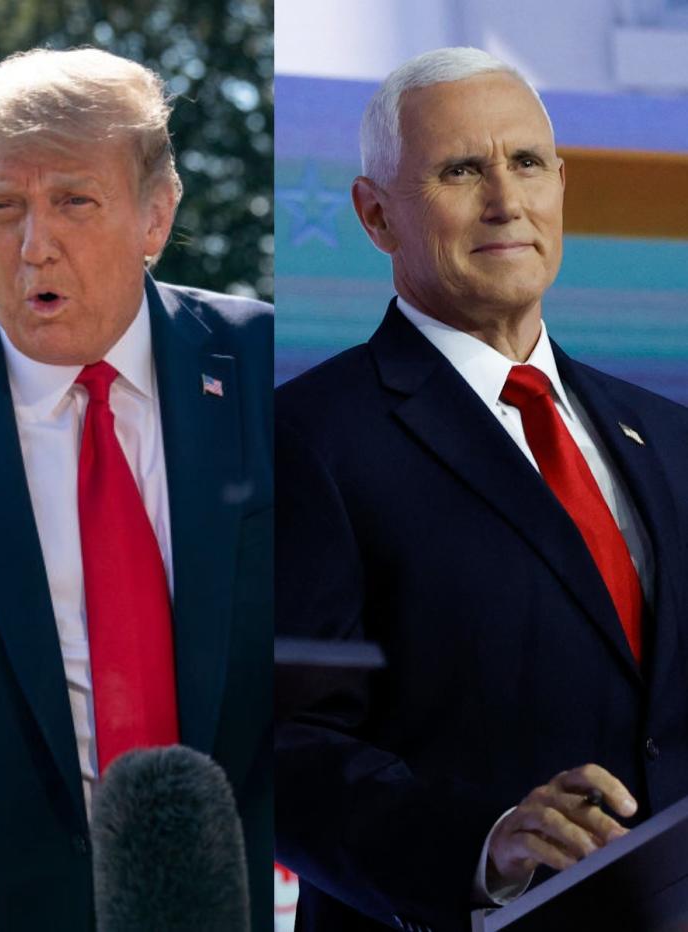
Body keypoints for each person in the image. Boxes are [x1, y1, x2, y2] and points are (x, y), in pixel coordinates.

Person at [275, 46, 688, 932]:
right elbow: (282, 745)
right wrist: (485, 842)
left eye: (527, 163)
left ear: (561, 185)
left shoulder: (669, 434)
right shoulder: (306, 439)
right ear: (375, 214)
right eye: (462, 170)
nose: (507, 201)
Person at [0, 47, 273, 931]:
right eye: (1, 207)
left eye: (73, 202)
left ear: (155, 216)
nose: (32, 244)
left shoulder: (272, 374)